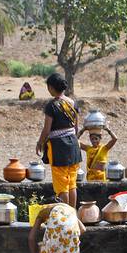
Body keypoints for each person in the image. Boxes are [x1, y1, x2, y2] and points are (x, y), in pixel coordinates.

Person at [36, 73, 81, 209]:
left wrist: (40, 143)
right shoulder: (72, 103)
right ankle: (72, 214)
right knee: (72, 183)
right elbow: (76, 127)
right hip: (73, 144)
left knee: (62, 185)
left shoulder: (52, 105)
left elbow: (47, 129)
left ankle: (65, 216)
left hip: (58, 147)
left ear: (51, 87)